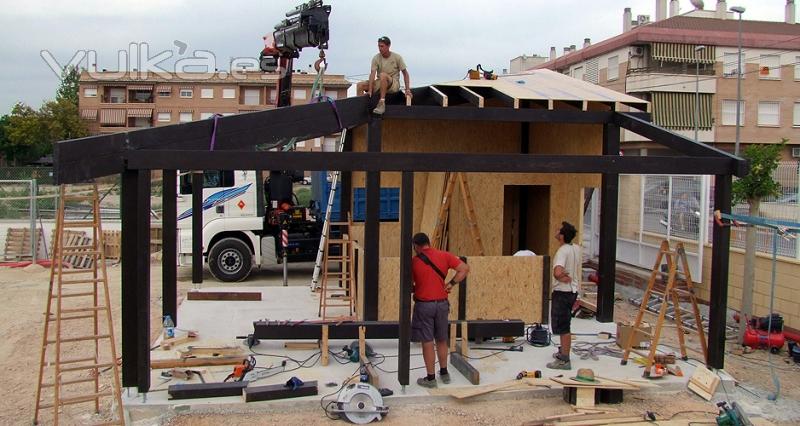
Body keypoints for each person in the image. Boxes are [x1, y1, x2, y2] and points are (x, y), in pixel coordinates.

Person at [411, 232, 469, 388]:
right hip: (442, 304)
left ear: (416, 246)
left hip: (424, 306)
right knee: (442, 339)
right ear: (428, 243)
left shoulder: (414, 261)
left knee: (427, 341)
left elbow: (409, 284)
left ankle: (430, 379)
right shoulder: (444, 255)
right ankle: (444, 373)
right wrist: (451, 284)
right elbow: (464, 268)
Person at [546, 221, 582, 370]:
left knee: (562, 325)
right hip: (572, 291)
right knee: (565, 322)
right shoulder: (576, 248)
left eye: (558, 230)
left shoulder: (562, 251)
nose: (556, 231)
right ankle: (563, 350)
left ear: (562, 236)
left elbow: (557, 271)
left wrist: (560, 277)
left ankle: (564, 359)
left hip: (562, 292)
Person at [356, 36, 412, 115]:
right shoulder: (376, 58)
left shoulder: (397, 57)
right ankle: (360, 109)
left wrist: (407, 89)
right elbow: (372, 74)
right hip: (380, 82)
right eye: (379, 46)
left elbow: (405, 74)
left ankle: (382, 103)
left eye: (382, 46)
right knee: (360, 85)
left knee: (383, 75)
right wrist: (370, 90)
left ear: (388, 46)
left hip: (393, 84)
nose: (380, 48)